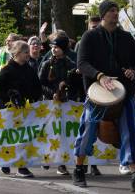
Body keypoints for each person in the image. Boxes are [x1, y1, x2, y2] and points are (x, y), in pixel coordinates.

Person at [73, 0, 135, 192]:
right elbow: (82, 63)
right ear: (103, 15)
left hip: (123, 92)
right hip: (97, 93)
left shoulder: (126, 37)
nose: (115, 14)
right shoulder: (89, 37)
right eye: (111, 11)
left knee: (131, 132)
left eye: (117, 10)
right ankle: (78, 168)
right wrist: (99, 76)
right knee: (88, 131)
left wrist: (133, 71)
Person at [0, 40, 42, 178]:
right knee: (10, 138)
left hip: (26, 110)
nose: (28, 54)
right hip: (10, 111)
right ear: (17, 53)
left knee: (24, 138)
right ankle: (5, 161)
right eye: (25, 52)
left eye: (28, 52)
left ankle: (22, 167)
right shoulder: (7, 69)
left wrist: (33, 98)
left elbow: (37, 87)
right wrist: (9, 97)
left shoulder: (29, 69)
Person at [39, 35, 83, 176]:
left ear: (63, 49)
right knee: (49, 132)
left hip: (65, 104)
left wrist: (68, 92)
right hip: (50, 103)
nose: (53, 49)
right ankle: (46, 158)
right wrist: (51, 93)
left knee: (62, 133)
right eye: (52, 47)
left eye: (57, 47)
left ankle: (61, 164)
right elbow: (40, 83)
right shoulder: (46, 63)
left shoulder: (70, 64)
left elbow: (76, 83)